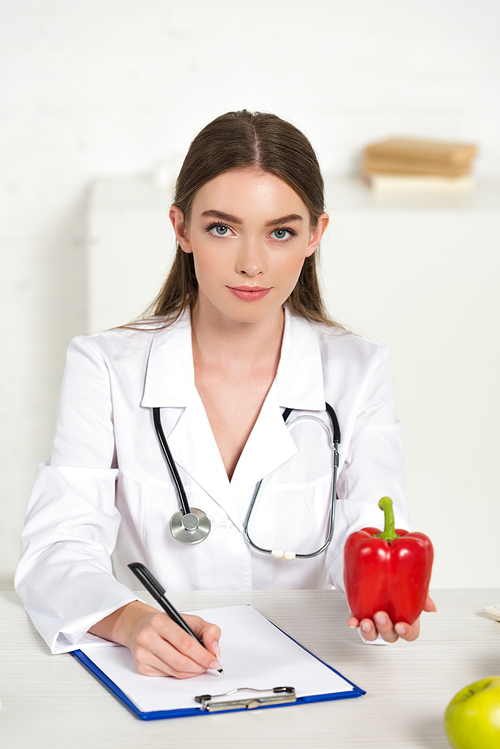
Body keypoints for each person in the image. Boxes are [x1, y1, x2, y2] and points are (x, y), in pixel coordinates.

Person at [15, 110, 435, 680]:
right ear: (181, 229)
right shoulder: (103, 366)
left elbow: (367, 528)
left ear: (315, 235)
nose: (251, 263)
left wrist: (380, 600)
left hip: (302, 663)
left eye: (281, 232)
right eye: (222, 228)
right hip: (159, 673)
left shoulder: (358, 370)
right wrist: (128, 619)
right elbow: (57, 547)